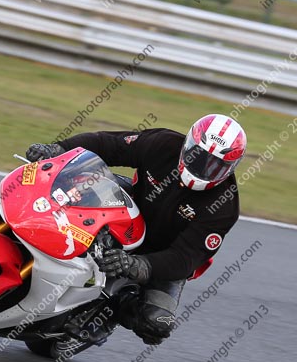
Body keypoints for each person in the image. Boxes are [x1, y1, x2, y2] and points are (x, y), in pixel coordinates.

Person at [26, 114, 246, 345]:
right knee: (79, 180)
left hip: (162, 255)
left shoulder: (224, 206)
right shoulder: (163, 143)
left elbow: (185, 258)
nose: (203, 167)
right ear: (188, 144)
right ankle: (36, 229)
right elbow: (108, 144)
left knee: (156, 324)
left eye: (215, 165)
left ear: (231, 167)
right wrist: (58, 149)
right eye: (197, 155)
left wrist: (137, 265)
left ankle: (115, 307)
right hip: (128, 209)